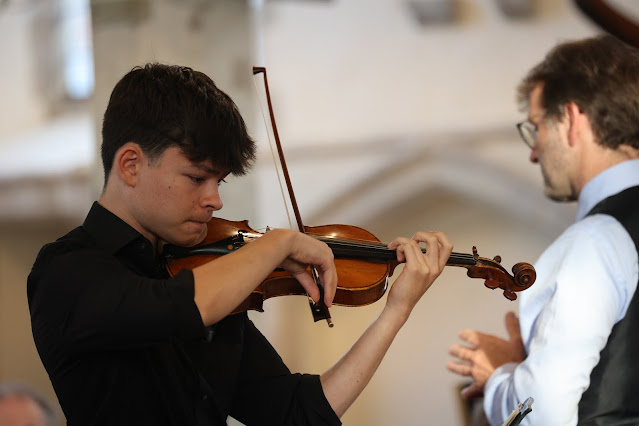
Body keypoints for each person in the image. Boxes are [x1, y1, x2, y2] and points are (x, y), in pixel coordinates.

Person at [27, 63, 453, 425]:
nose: (214, 199)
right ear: (131, 165)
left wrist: (396, 311)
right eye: (198, 178)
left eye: (219, 181)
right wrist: (275, 245)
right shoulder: (66, 270)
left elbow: (297, 413)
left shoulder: (204, 274)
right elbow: (173, 308)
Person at [446, 34, 639, 425]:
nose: (534, 152)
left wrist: (500, 375)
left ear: (570, 120)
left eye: (536, 128)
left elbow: (544, 413)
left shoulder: (595, 241)